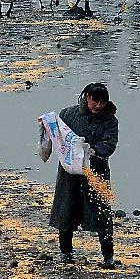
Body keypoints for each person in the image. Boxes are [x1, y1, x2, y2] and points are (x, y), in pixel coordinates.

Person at [48, 82, 119, 267]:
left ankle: (108, 257)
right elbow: (57, 136)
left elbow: (110, 144)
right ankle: (65, 252)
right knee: (67, 210)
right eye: (95, 101)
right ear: (87, 97)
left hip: (96, 172)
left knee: (101, 212)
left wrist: (92, 151)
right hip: (69, 173)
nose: (98, 105)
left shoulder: (111, 121)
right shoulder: (68, 115)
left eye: (103, 102)